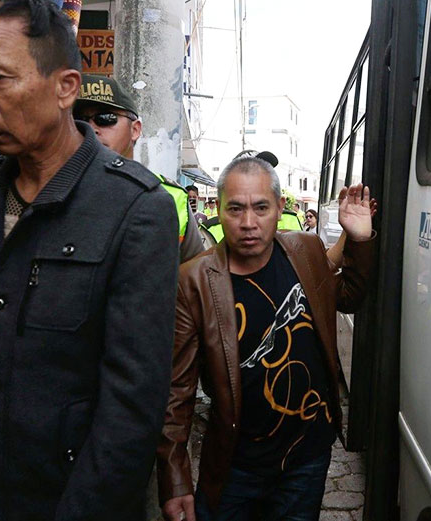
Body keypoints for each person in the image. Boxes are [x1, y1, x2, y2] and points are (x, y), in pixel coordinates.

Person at [0, 2, 179, 520]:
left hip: (72, 495)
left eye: (0, 78)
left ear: (65, 86)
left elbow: (133, 400)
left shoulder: (137, 207)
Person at [157, 157, 375, 521]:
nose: (247, 223)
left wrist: (360, 239)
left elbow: (347, 296)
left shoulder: (305, 251)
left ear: (279, 209)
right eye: (235, 209)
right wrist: (175, 479)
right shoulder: (193, 281)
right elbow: (175, 394)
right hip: (235, 466)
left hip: (307, 458)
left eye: (260, 208)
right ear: (218, 210)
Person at [74, 74, 205, 263]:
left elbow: (197, 279)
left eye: (105, 118)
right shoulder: (52, 191)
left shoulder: (172, 198)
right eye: (80, 119)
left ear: (135, 129)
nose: (91, 128)